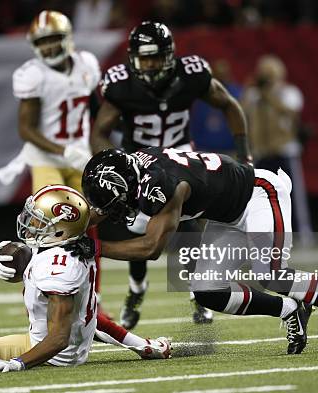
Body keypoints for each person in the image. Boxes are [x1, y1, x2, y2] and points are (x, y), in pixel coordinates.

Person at [69, 148, 318, 355]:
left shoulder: (163, 185)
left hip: (258, 195)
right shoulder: (135, 172)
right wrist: (65, 230)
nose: (110, 208)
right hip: (226, 214)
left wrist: (96, 248)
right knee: (208, 292)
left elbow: (152, 248)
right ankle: (291, 310)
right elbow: (103, 208)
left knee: (271, 274)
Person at [0, 185, 171, 373]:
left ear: (61, 230)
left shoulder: (58, 268)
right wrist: (142, 345)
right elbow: (91, 320)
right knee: (79, 317)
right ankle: (144, 345)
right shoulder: (73, 243)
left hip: (49, 352)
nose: (31, 223)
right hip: (70, 336)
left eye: (39, 220)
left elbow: (59, 338)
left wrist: (17, 364)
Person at [89, 21, 252, 329]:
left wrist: (244, 153)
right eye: (143, 58)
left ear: (169, 55)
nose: (149, 65)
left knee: (189, 229)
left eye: (155, 57)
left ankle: (198, 295)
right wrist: (114, 164)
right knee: (139, 230)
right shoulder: (121, 84)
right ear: (133, 58)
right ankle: (137, 290)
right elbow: (100, 133)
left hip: (180, 162)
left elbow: (230, 106)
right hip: (138, 164)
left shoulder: (191, 74)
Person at [0, 10, 108, 315]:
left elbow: (95, 110)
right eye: (42, 42)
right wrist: (63, 150)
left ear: (67, 39)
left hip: (80, 154)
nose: (49, 47)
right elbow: (26, 129)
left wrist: (97, 148)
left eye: (54, 39)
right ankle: (39, 292)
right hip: (47, 158)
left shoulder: (87, 65)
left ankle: (92, 295)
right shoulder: (33, 74)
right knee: (47, 227)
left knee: (89, 225)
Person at [241, 55, 313, 242]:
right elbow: (242, 112)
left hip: (284, 149)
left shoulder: (289, 92)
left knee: (292, 194)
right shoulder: (253, 94)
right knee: (260, 196)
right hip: (261, 151)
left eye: (270, 73)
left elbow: (291, 112)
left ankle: (300, 232)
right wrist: (251, 90)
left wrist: (269, 95)